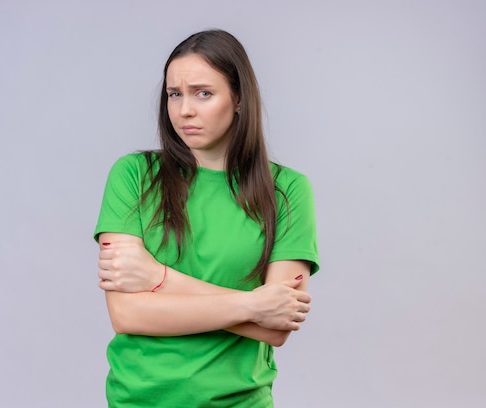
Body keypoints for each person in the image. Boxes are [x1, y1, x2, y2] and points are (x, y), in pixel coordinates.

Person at [94, 29, 319, 407]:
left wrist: (156, 278)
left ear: (239, 99)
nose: (184, 110)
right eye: (174, 94)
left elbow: (277, 328)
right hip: (138, 401)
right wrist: (253, 305)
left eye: (203, 93)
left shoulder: (287, 190)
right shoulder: (133, 175)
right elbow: (127, 313)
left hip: (240, 402)